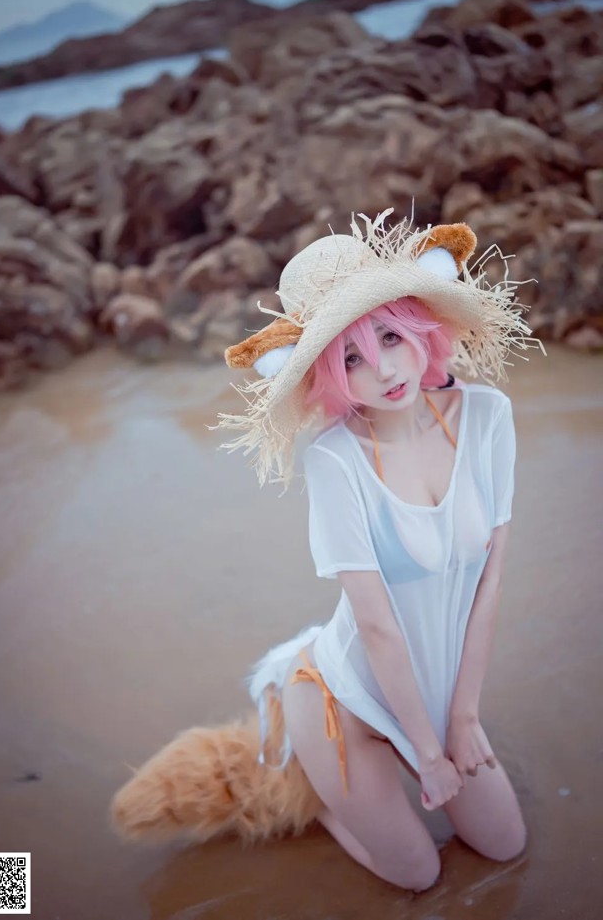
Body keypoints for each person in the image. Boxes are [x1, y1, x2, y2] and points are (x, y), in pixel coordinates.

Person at [110, 210, 545, 892]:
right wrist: (427, 755)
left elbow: (491, 574)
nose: (382, 368)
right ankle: (318, 780)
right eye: (350, 357)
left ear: (420, 328)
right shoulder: (336, 458)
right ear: (329, 377)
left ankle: (366, 774)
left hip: (439, 696)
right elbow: (374, 623)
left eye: (391, 337)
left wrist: (461, 717)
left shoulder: (488, 418)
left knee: (506, 844)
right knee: (419, 875)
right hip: (349, 697)